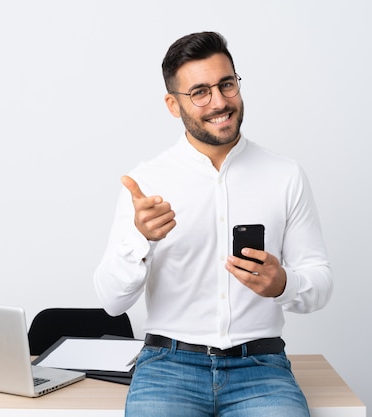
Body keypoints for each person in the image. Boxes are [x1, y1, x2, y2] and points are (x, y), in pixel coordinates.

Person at [93, 31, 333, 417]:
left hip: (261, 369)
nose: (219, 102)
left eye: (227, 84)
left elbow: (320, 281)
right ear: (174, 104)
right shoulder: (147, 182)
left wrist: (283, 284)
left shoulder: (285, 175)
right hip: (167, 368)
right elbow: (110, 300)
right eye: (200, 92)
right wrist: (140, 239)